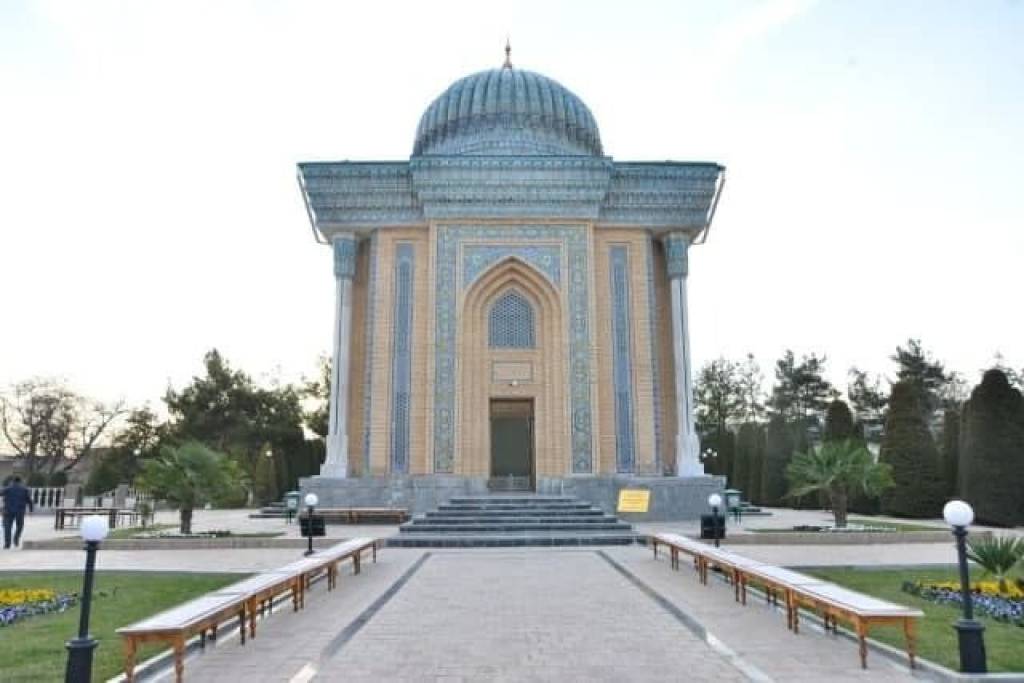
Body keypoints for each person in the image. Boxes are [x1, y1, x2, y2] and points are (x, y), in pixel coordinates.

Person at [2, 476, 34, 549]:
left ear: (12, 481)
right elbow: (29, 501)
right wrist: (31, 510)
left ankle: (7, 544)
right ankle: (16, 538)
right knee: (20, 526)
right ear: (20, 481)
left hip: (8, 511)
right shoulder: (25, 490)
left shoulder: (7, 488)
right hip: (20, 511)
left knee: (7, 527)